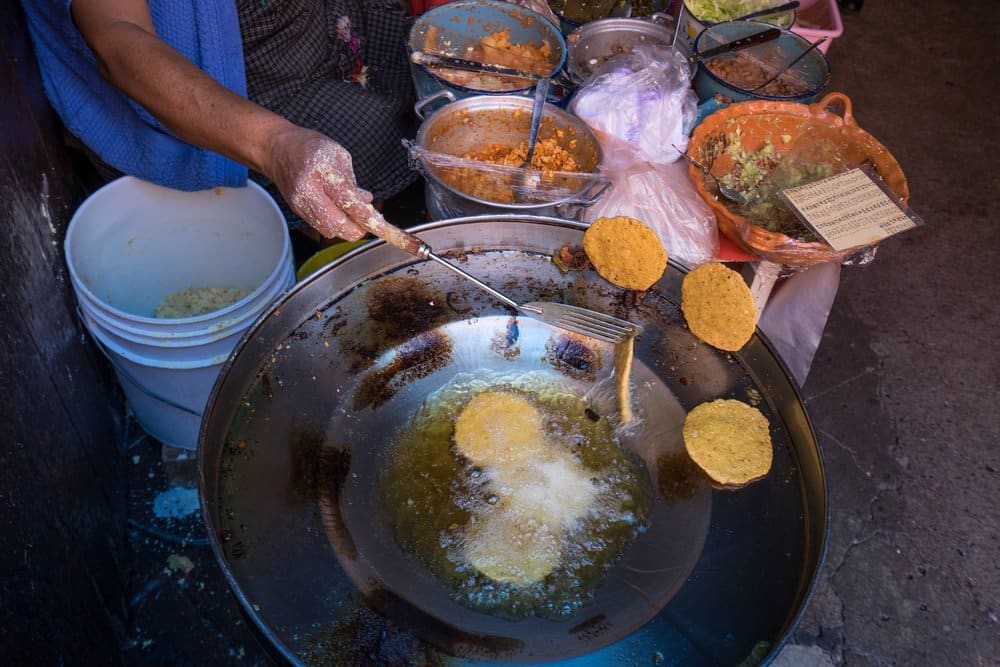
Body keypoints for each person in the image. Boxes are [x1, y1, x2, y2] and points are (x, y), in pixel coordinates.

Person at [22, 0, 419, 243]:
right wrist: (275, 144)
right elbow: (118, 42)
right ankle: (318, 236)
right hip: (226, 82)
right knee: (378, 136)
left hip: (316, 24)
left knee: (427, 72)